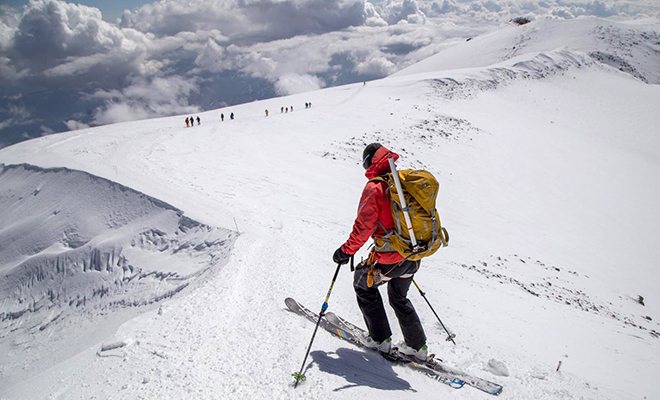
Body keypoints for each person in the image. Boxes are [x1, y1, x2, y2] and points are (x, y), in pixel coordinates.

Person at [332, 143, 428, 360]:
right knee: (398, 297)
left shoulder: (375, 187)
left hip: (389, 261)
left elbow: (363, 227)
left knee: (362, 283)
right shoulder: (402, 183)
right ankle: (417, 347)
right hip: (413, 257)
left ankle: (380, 340)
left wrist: (345, 251)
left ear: (368, 162)